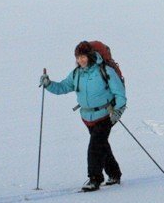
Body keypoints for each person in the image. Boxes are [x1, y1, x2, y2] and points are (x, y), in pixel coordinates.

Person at [40, 41, 127, 191]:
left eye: (84, 56)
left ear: (91, 56)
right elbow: (62, 87)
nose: (81, 60)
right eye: (78, 57)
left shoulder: (105, 71)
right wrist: (48, 84)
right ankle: (114, 174)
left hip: (106, 115)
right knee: (101, 145)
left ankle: (95, 179)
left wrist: (118, 111)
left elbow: (120, 94)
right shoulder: (76, 74)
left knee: (95, 147)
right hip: (87, 117)